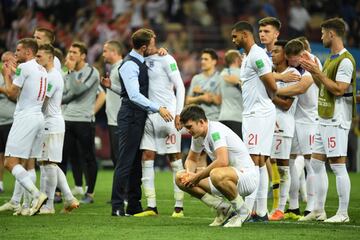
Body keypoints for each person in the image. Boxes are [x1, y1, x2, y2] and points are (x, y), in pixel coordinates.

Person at [111, 28, 173, 217]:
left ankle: (134, 204)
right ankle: (117, 205)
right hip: (131, 116)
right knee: (126, 161)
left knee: (135, 162)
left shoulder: (139, 60)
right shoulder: (130, 65)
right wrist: (158, 108)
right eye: (153, 45)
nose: (156, 48)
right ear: (144, 47)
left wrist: (163, 51)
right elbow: (134, 95)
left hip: (138, 116)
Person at [299, 17, 355, 223]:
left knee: (338, 166)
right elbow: (324, 85)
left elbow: (339, 89)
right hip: (323, 117)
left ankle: (343, 213)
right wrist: (313, 70)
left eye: (323, 33)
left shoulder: (346, 60)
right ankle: (318, 210)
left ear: (332, 34)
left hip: (337, 119)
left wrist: (318, 73)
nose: (320, 36)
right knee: (314, 164)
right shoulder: (331, 58)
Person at [175, 105, 258, 227]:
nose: (188, 131)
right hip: (225, 178)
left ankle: (243, 212)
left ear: (201, 122)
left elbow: (222, 161)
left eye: (189, 127)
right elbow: (192, 159)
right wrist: (189, 175)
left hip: (246, 178)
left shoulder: (215, 131)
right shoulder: (198, 135)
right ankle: (223, 208)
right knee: (180, 177)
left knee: (216, 173)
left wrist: (196, 177)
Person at [231, 21, 277, 221]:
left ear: (244, 35)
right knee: (259, 161)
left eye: (235, 36)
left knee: (253, 160)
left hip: (258, 113)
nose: (233, 40)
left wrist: (266, 100)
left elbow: (271, 84)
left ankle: (247, 211)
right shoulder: (249, 56)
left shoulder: (257, 55)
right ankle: (261, 211)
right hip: (254, 113)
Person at [133, 45, 185, 217]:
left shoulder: (167, 59)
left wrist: (178, 113)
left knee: (175, 159)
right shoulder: (140, 60)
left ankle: (179, 207)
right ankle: (151, 206)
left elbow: (180, 86)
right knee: (146, 157)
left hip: (168, 114)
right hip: (150, 114)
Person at [2, 38, 48, 216]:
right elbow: (27, 82)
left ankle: (37, 195)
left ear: (28, 52)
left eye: (19, 50)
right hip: (38, 117)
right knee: (28, 163)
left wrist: (6, 75)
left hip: (25, 117)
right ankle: (27, 206)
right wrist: (14, 71)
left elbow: (12, 93)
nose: (16, 53)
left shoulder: (24, 68)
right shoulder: (40, 68)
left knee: (10, 162)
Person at [275, 39, 318, 220]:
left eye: (294, 60)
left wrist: (271, 90)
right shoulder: (295, 67)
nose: (293, 63)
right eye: (290, 60)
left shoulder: (312, 63)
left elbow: (300, 88)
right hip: (294, 119)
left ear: (302, 54)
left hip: (309, 119)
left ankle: (312, 206)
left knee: (310, 162)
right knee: (290, 161)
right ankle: (293, 207)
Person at [35, 44, 80, 214]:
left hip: (51, 123)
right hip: (50, 123)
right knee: (48, 163)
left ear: (50, 58)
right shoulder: (48, 75)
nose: (37, 59)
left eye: (40, 56)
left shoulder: (53, 77)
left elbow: (43, 100)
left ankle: (50, 205)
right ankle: (68, 198)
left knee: (49, 163)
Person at [61, 41, 100, 204]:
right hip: (67, 119)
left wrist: (70, 73)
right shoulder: (65, 74)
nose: (70, 55)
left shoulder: (91, 72)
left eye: (74, 52)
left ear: (83, 56)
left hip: (84, 120)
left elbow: (77, 91)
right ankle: (58, 192)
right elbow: (62, 96)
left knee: (88, 157)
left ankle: (89, 193)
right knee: (62, 157)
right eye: (69, 52)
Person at [268, 40, 298, 220]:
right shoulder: (271, 74)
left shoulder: (292, 74)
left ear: (285, 55)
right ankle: (266, 207)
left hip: (283, 125)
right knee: (267, 164)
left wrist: (269, 95)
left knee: (282, 167)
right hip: (268, 124)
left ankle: (280, 208)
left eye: (276, 52)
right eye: (272, 52)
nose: (273, 54)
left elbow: (287, 104)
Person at [185, 48, 222, 168]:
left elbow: (219, 100)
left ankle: (214, 182)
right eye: (202, 59)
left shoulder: (220, 78)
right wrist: (201, 98)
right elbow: (188, 100)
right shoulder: (196, 78)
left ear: (214, 61)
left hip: (214, 120)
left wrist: (203, 93)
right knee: (200, 155)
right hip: (198, 122)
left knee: (215, 154)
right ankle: (202, 183)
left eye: (206, 59)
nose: (202, 61)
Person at [101, 40, 123, 168]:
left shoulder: (121, 68)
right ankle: (122, 188)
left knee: (119, 159)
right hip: (113, 120)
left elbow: (129, 93)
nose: (103, 54)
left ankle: (124, 188)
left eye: (105, 51)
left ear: (114, 52)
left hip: (118, 121)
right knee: (116, 158)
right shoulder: (115, 69)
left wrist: (111, 86)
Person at [0, 52, 16, 194]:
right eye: (3, 61)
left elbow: (14, 97)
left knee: (14, 157)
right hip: (0, 123)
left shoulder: (18, 76)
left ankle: (21, 185)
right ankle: (0, 183)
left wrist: (4, 89)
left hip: (12, 122)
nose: (5, 64)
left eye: (8, 60)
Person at [218, 50, 243, 138]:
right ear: (237, 59)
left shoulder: (221, 75)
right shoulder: (242, 73)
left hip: (222, 117)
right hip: (238, 118)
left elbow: (219, 98)